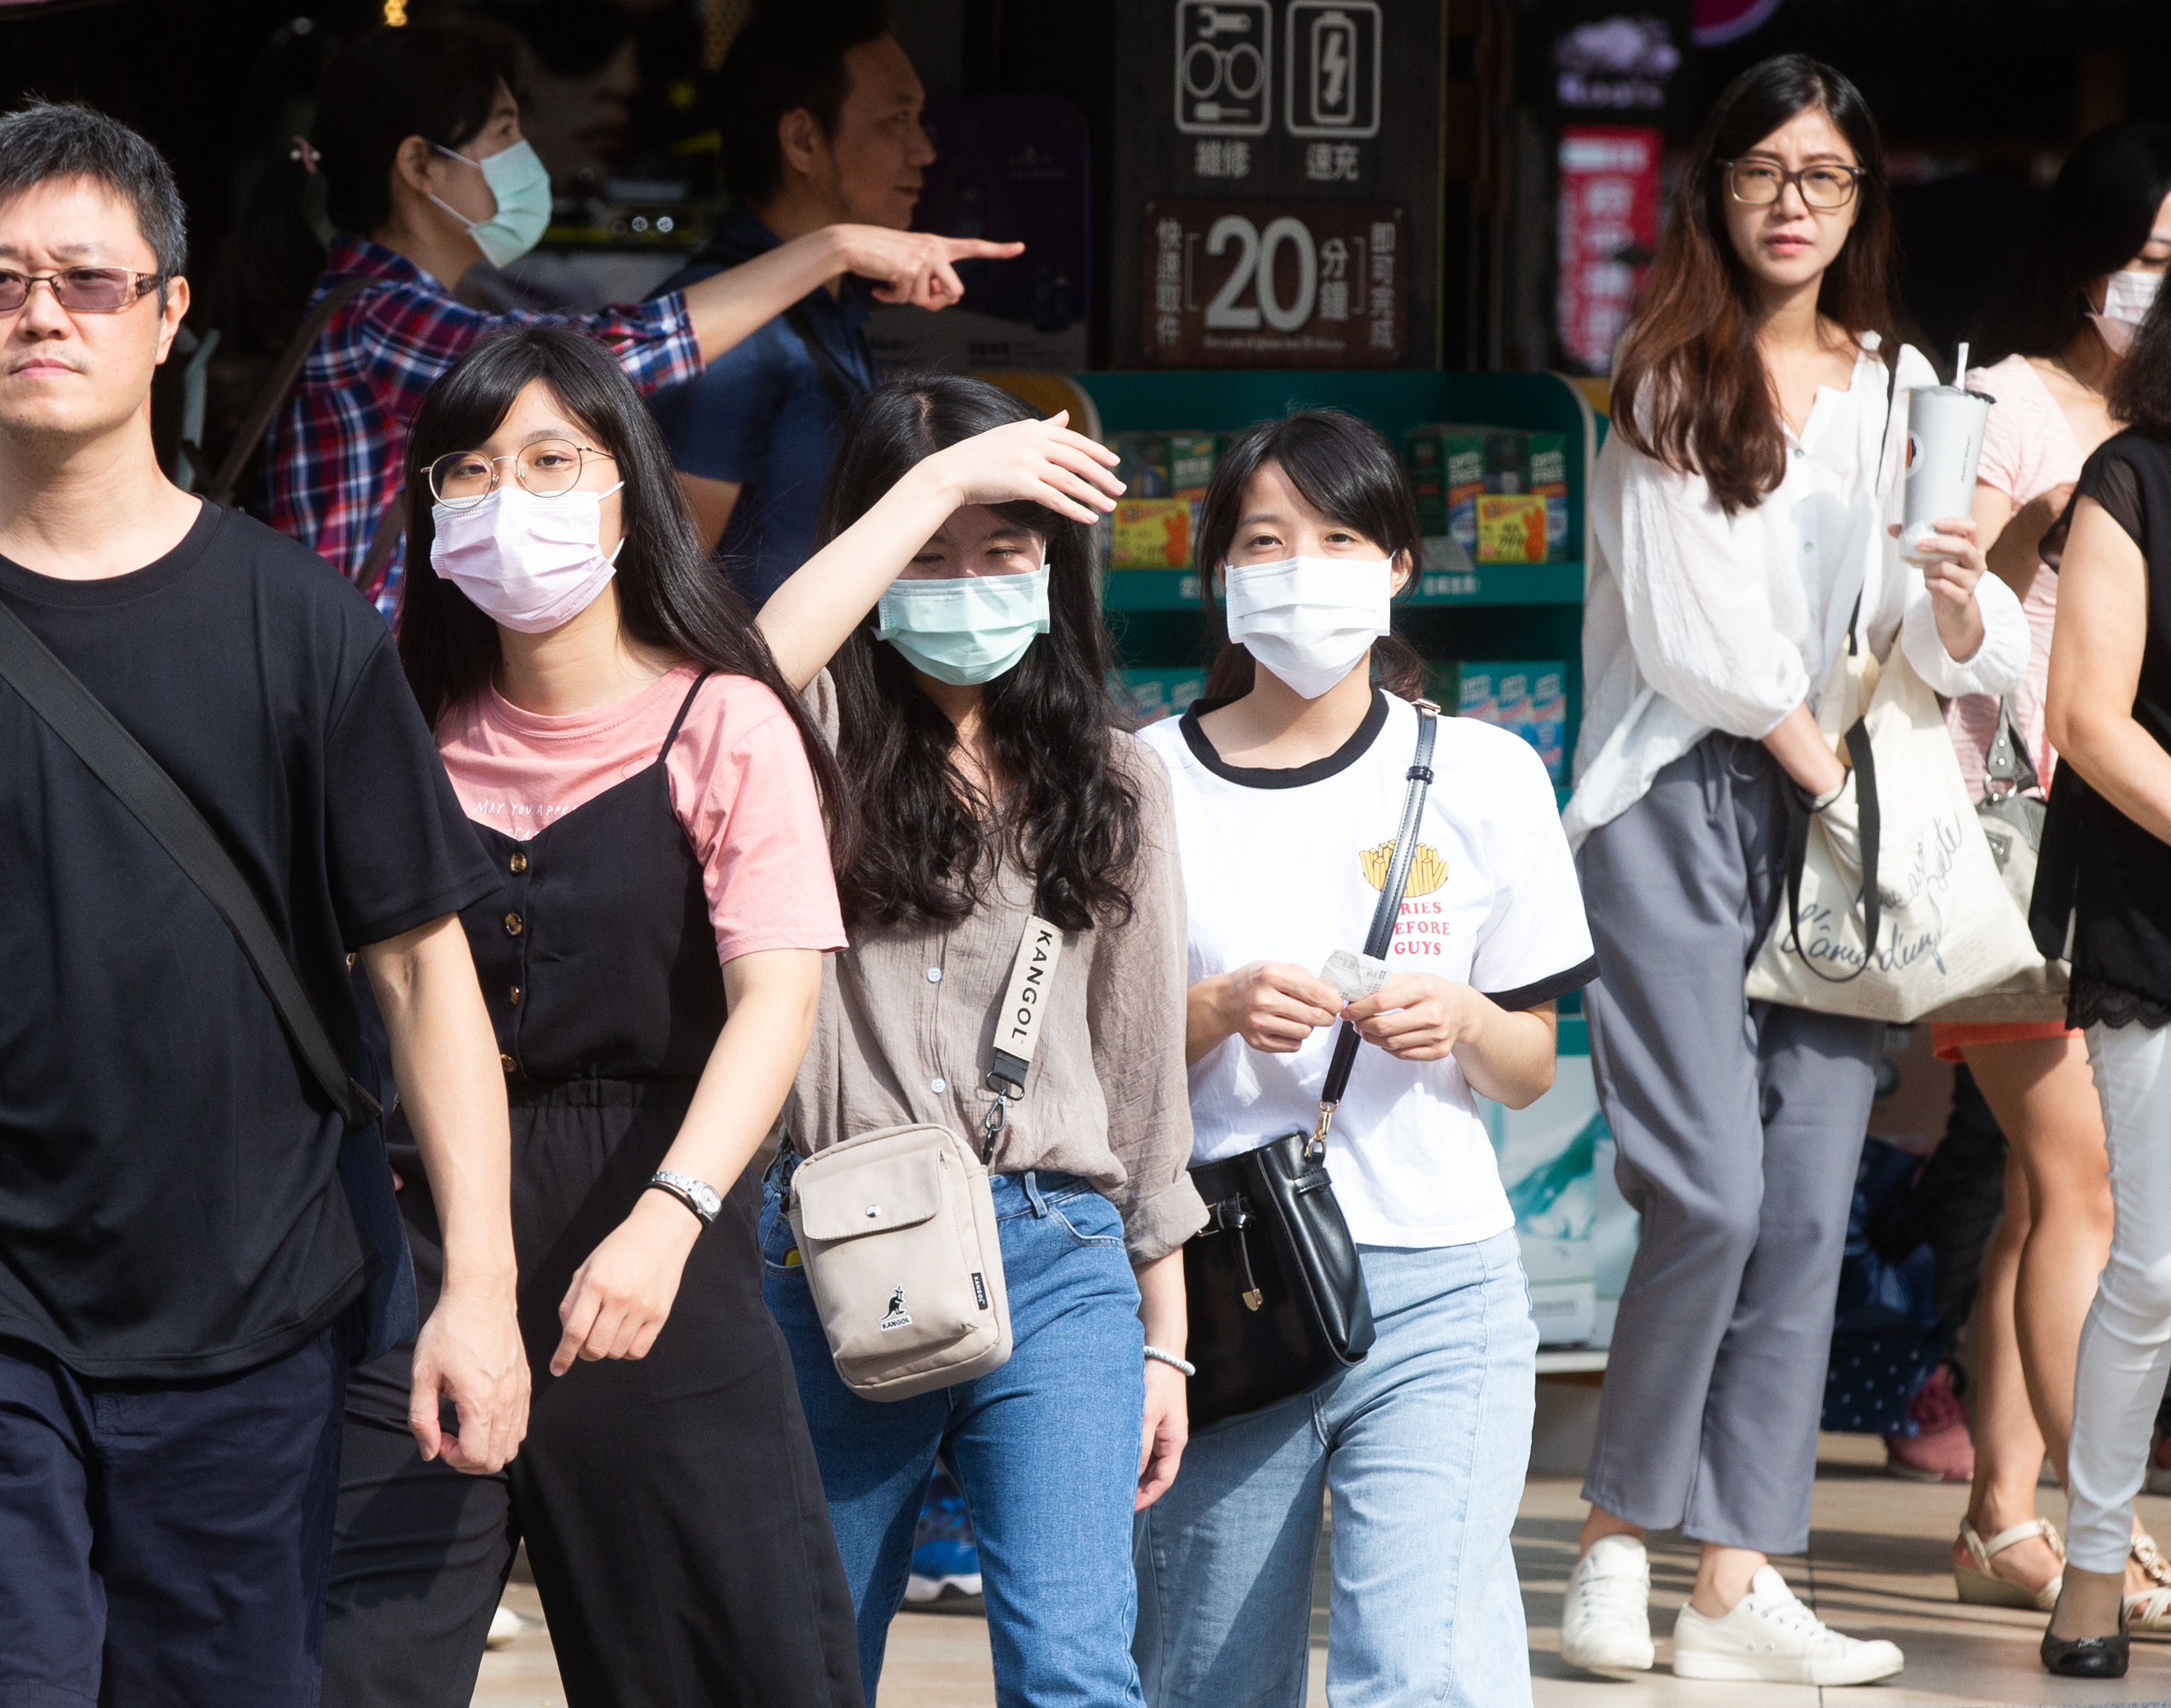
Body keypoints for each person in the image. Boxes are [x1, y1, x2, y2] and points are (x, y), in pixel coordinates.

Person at [0, 101, 531, 1704]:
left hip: (256, 1321)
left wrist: (479, 1285)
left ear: (172, 308)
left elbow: (418, 968)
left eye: (88, 279)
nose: (41, 312)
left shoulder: (306, 632)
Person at [1553, 54, 2028, 1685]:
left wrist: (1957, 597)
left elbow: (1924, 642)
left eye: (1819, 176)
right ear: (1714, 190)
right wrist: (1845, 792)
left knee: (1807, 1201)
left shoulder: (1903, 390)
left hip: (1832, 812)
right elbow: (1697, 649)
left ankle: (1730, 1582)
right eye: (1760, 171)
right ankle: (1618, 1542)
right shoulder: (1666, 377)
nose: (1788, 203)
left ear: (1859, 202)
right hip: (1683, 800)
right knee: (1710, 1192)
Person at [319, 321, 862, 1708]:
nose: (513, 499)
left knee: (717, 1668)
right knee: (350, 1668)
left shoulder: (724, 723)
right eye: (474, 470)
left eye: (553, 460)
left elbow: (777, 996)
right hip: (410, 1268)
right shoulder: (387, 729)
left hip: (654, 1260)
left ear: (628, 487)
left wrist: (670, 1216)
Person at [1130, 409, 1593, 1707]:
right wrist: (1212, 1008)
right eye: (1266, 539)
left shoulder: (1488, 773)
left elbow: (1529, 1063)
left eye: (1339, 537)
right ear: (1217, 572)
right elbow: (1097, 1070)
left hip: (1442, 1288)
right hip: (1223, 1294)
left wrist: (1462, 1019)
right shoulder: (1138, 783)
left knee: (1430, 1674)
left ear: (1397, 565)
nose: (1301, 568)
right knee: (1209, 1677)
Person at [749, 376, 1198, 1708]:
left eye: (1004, 551)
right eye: (928, 555)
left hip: (1060, 1258)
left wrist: (1162, 1340)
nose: (965, 582)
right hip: (838, 1243)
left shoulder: (1114, 778)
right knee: (808, 1659)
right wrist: (937, 481)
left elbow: (1138, 1081)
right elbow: (755, 667)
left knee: (1072, 1668)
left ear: (1054, 567)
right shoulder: (812, 747)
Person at [243, 19, 1014, 613]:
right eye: (504, 133)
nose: (527, 156)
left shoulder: (388, 309)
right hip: (368, 704)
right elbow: (575, 363)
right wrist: (834, 248)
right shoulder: (382, 318)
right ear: (419, 167)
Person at [1942, 120, 2171, 1620]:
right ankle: (2105, 1542)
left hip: (2092, 847)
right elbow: (1930, 624)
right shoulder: (1998, 405)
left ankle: (1997, 1510)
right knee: (2082, 1181)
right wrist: (2031, 530)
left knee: (2043, 1196)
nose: (2157, 287)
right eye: (2143, 257)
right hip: (1995, 830)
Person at [2032, 285, 2171, 1678]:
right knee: (2156, 1265)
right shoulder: (2127, 477)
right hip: (2156, 910)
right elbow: (2085, 714)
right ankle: (2089, 1564)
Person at [646, 0, 922, 606]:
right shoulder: (730, 335)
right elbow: (666, 591)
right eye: (897, 120)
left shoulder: (827, 309)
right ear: (803, 139)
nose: (923, 150)